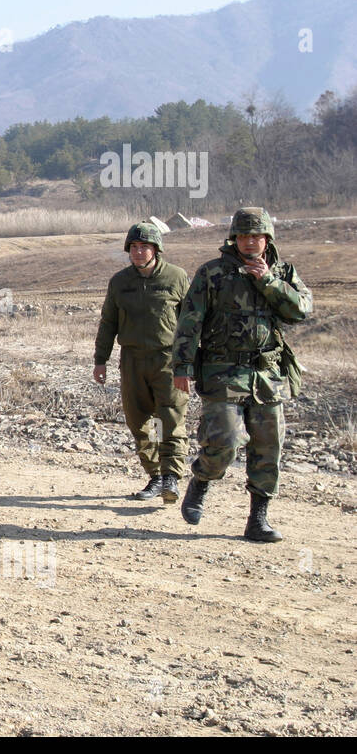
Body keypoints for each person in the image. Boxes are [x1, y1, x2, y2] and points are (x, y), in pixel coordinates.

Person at [173, 207, 312, 542]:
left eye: (257, 236)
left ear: (267, 239)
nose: (251, 242)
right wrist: (182, 366)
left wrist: (267, 281)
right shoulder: (213, 273)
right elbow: (189, 323)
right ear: (234, 237)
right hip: (222, 370)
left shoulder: (282, 271)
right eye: (244, 236)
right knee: (226, 440)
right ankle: (202, 480)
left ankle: (257, 520)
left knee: (268, 446)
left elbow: (300, 310)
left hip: (266, 374)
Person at [93, 222, 190, 503]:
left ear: (156, 249)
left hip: (167, 361)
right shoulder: (120, 282)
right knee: (138, 422)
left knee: (171, 419)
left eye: (144, 246)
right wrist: (101, 361)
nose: (138, 252)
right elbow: (108, 322)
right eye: (134, 247)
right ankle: (156, 476)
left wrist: (190, 362)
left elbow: (190, 323)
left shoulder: (176, 278)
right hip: (132, 360)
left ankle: (171, 477)